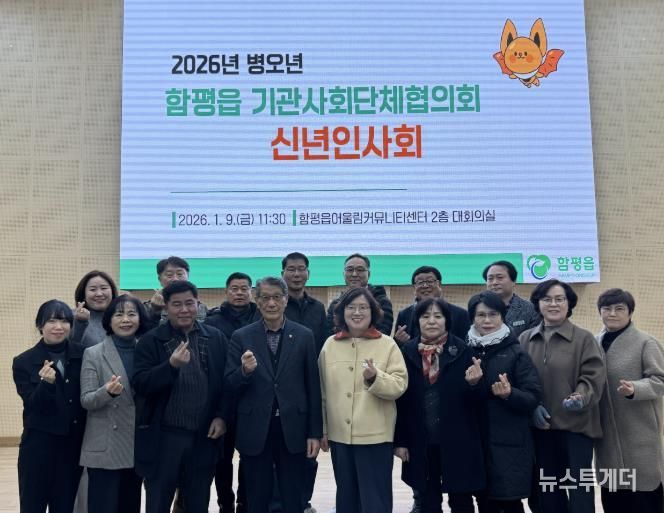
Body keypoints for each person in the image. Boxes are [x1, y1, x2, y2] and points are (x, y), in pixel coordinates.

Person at [225, 277, 322, 513]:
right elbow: (229, 384)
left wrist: (314, 433)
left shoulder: (304, 335)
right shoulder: (241, 336)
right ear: (257, 301)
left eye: (277, 297)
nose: (271, 303)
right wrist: (244, 372)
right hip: (255, 428)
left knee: (293, 497)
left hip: (294, 428)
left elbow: (313, 386)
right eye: (265, 298)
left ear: (285, 300)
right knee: (257, 497)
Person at [133, 280, 229, 513]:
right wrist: (171, 366)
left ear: (198, 304)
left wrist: (221, 416)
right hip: (164, 437)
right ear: (166, 307)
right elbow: (141, 384)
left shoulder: (215, 337)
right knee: (158, 501)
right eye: (177, 304)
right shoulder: (151, 340)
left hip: (204, 436)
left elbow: (226, 383)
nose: (184, 309)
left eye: (189, 303)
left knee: (197, 502)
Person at [519, 279, 605, 513]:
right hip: (542, 429)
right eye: (547, 299)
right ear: (538, 304)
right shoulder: (525, 339)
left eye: (559, 299)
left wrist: (580, 397)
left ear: (569, 304)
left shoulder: (584, 339)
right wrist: (531, 407)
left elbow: (593, 376)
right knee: (548, 491)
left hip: (577, 429)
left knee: (579, 490)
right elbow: (519, 378)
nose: (553, 304)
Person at [319, 287, 407, 513]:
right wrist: (324, 429)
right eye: (351, 307)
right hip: (340, 436)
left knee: (375, 500)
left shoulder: (387, 344)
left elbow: (399, 385)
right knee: (346, 498)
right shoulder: (330, 345)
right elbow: (322, 392)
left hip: (375, 436)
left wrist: (375, 377)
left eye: (363, 307)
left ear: (373, 312)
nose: (357, 312)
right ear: (342, 312)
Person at [394, 297, 485, 513]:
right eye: (425, 316)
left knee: (461, 501)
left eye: (438, 316)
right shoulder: (406, 352)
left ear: (447, 320)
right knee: (427, 501)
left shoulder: (462, 350)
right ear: (417, 321)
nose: (431, 321)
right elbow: (400, 402)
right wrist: (400, 441)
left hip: (458, 440)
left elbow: (478, 402)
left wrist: (475, 384)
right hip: (420, 440)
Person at [466, 291, 541, 513]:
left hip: (509, 445)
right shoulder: (464, 351)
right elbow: (458, 400)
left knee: (510, 502)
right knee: (483, 502)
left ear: (502, 316)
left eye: (493, 314)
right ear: (472, 318)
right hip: (475, 443)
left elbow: (533, 396)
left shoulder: (516, 352)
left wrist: (510, 394)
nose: (487, 320)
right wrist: (473, 385)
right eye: (481, 315)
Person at [12, 300, 87, 513]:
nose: (58, 327)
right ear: (40, 325)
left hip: (72, 448)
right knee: (32, 505)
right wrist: (46, 384)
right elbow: (32, 405)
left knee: (64, 506)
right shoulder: (23, 361)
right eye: (52, 321)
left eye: (64, 321)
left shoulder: (84, 355)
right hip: (37, 448)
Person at [594, 288, 664, 513]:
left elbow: (660, 379)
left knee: (644, 494)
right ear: (600, 312)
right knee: (614, 497)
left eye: (619, 309)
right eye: (607, 309)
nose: (612, 313)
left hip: (640, 434)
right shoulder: (593, 343)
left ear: (630, 312)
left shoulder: (645, 342)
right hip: (606, 437)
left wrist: (636, 388)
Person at [79, 295, 148, 513]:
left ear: (140, 319)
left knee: (130, 506)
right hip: (106, 446)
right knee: (103, 506)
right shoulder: (93, 353)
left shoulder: (146, 351)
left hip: (137, 444)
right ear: (109, 320)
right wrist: (107, 392)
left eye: (131, 314)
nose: (125, 320)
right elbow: (86, 399)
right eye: (119, 314)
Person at [206, 271, 258, 513]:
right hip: (222, 401)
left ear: (251, 292)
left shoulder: (261, 318)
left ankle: (244, 503)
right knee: (222, 459)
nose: (239, 293)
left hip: (253, 400)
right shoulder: (212, 321)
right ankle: (225, 503)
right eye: (234, 289)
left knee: (250, 457)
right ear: (226, 292)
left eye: (244, 288)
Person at [281, 252, 328, 513]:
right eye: (291, 269)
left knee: (309, 453)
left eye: (301, 269)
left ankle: (304, 502)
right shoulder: (275, 304)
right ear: (283, 274)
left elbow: (322, 348)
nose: (296, 274)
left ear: (308, 274)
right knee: (280, 455)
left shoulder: (318, 308)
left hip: (309, 388)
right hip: (279, 390)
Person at [394, 266, 470, 344]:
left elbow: (466, 345)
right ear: (414, 288)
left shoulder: (461, 314)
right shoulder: (404, 315)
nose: (425, 286)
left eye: (430, 281)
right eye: (420, 282)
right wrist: (399, 341)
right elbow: (396, 347)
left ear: (439, 284)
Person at [326, 253, 393, 336]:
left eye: (360, 270)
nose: (354, 274)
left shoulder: (381, 302)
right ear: (344, 274)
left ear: (369, 274)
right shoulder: (335, 305)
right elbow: (330, 334)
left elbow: (383, 333)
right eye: (350, 270)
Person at [144, 256, 208, 327]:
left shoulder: (200, 307)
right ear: (160, 279)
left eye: (179, 274)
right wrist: (155, 312)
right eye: (169, 275)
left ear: (188, 276)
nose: (175, 279)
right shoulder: (147, 308)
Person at [482, 261, 540, 337]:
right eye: (490, 279)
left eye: (500, 277)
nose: (494, 282)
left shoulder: (531, 310)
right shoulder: (477, 309)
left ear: (514, 281)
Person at [72, 270, 118, 348]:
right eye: (93, 289)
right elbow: (70, 347)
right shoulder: (71, 317)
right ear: (83, 294)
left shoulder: (123, 318)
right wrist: (80, 322)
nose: (99, 294)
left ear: (112, 292)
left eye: (104, 288)